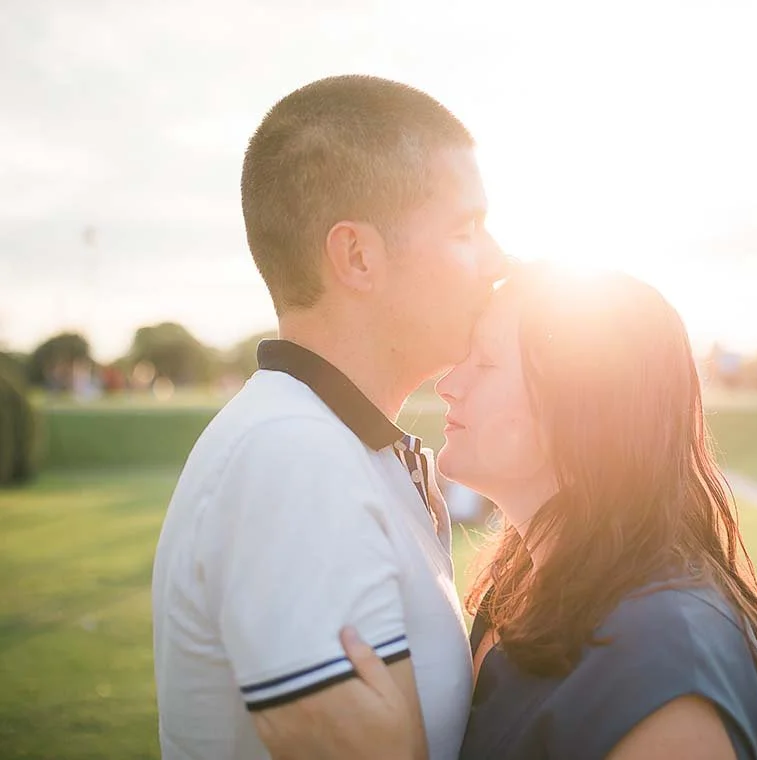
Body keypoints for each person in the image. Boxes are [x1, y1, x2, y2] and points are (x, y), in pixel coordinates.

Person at [151, 75, 505, 760]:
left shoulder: (336, 445)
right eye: (466, 230)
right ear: (358, 257)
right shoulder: (293, 457)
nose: (495, 260)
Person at [350, 262, 757, 759]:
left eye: (487, 363)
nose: (448, 384)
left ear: (583, 402)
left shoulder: (666, 664)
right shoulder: (521, 589)